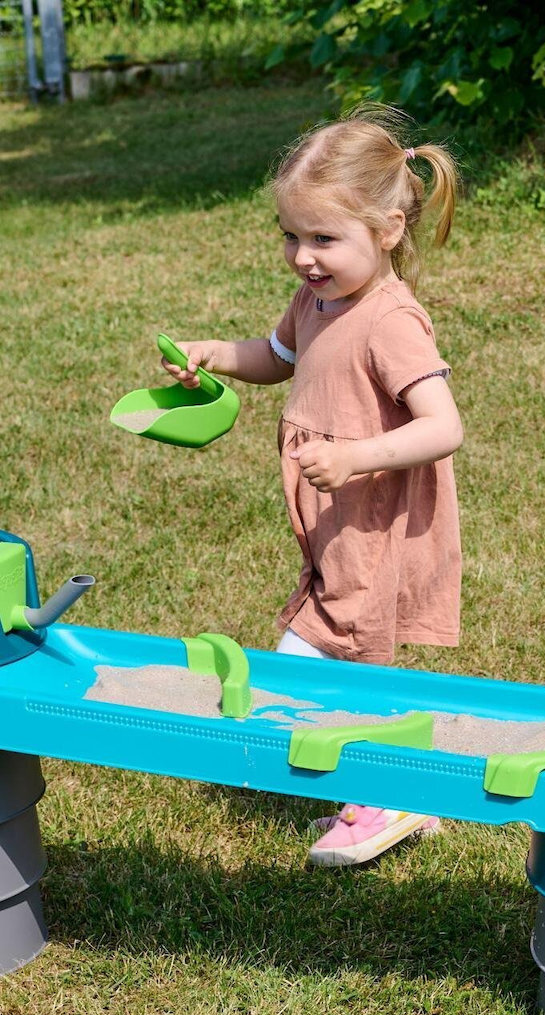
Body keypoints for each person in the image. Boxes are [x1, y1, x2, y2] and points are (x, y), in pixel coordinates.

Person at [163, 105, 463, 867]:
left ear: (388, 230)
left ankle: (388, 794)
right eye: (291, 236)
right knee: (339, 652)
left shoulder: (391, 321)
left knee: (318, 656)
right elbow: (278, 358)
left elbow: (442, 426)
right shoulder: (318, 300)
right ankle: (402, 786)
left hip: (372, 519)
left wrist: (359, 455)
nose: (303, 256)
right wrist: (216, 354)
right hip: (334, 517)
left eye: (324, 238)